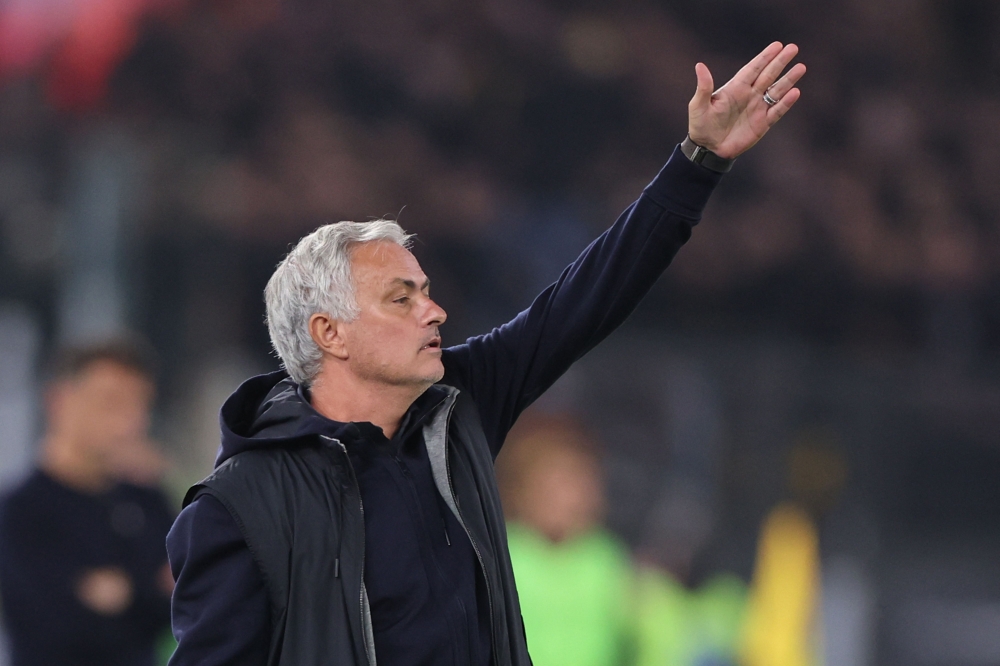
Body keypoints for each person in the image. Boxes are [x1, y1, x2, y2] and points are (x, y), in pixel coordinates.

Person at [165, 42, 806, 666]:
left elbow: (585, 300)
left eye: (427, 291)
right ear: (330, 334)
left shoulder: (456, 410)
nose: (434, 311)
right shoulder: (239, 505)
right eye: (400, 298)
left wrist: (697, 163)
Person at [0, 339, 176, 666]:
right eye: (111, 402)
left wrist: (123, 593)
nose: (129, 421)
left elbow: (187, 599)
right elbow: (57, 627)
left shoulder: (147, 500)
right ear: (59, 401)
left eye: (139, 404)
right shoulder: (21, 509)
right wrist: (146, 588)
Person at [498, 415, 634, 666]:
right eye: (555, 488)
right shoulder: (503, 555)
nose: (569, 500)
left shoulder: (605, 558)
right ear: (521, 490)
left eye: (578, 486)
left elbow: (632, 631)